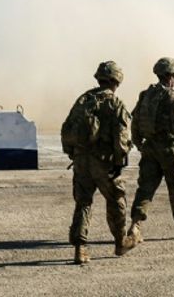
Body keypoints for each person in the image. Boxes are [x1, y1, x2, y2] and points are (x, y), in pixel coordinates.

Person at [60, 61, 137, 265]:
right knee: (116, 200)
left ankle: (80, 249)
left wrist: (74, 154)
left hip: (81, 160)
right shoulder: (115, 104)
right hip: (104, 162)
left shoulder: (84, 100)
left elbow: (67, 129)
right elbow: (121, 139)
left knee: (83, 202)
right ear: (116, 81)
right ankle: (120, 242)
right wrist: (119, 161)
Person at [127, 57, 174, 242]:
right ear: (171, 76)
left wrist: (140, 144)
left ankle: (135, 227)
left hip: (150, 148)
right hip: (169, 149)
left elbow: (135, 122)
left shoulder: (145, 95)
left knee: (145, 189)